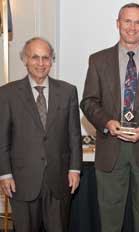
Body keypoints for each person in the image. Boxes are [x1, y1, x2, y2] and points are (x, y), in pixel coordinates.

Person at [80, 3, 139, 232]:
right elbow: (89, 101)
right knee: (110, 218)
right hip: (110, 147)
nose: (132, 27)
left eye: (138, 22)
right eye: (127, 21)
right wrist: (107, 123)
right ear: (118, 24)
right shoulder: (98, 60)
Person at [0, 37, 82, 232]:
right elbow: (2, 138)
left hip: (59, 180)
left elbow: (74, 135)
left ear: (52, 60)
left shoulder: (68, 91)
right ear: (25, 59)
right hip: (21, 181)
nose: (41, 63)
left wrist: (75, 169)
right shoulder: (7, 94)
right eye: (35, 57)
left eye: (46, 58)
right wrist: (4, 173)